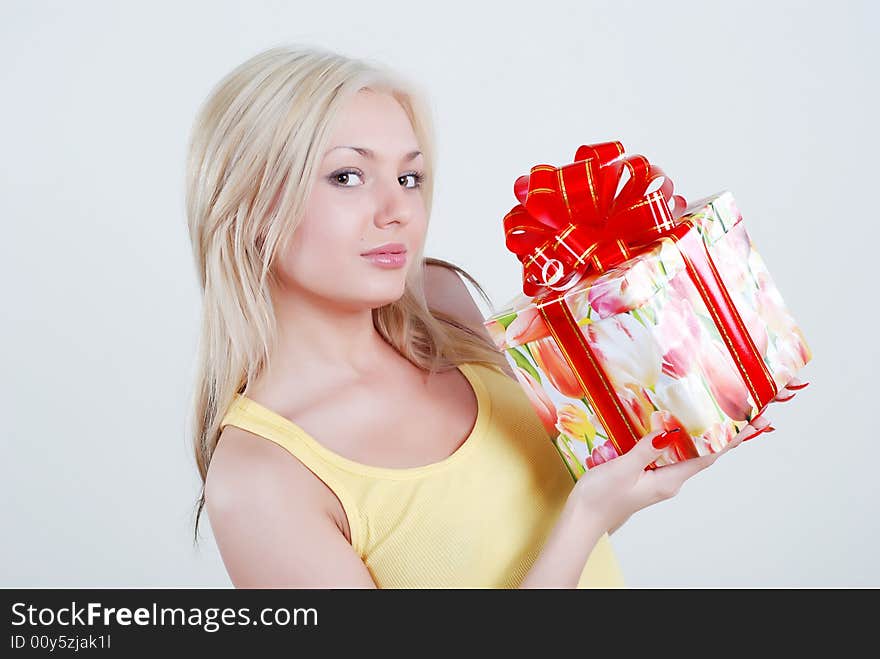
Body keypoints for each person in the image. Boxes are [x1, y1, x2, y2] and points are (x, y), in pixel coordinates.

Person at [184, 45, 803, 589]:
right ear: (251, 204)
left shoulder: (439, 305)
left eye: (410, 175)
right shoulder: (260, 478)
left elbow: (572, 475)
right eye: (348, 176)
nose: (398, 208)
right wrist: (587, 517)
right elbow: (577, 518)